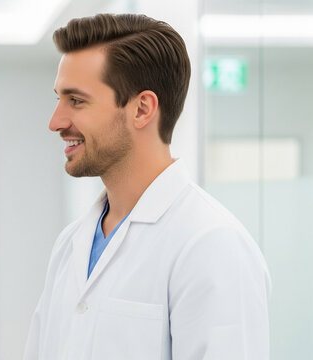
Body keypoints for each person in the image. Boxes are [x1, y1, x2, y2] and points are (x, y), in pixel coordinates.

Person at [24, 14, 270, 359]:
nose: (56, 122)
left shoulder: (212, 244)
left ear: (142, 109)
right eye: (58, 100)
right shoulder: (70, 244)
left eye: (76, 101)